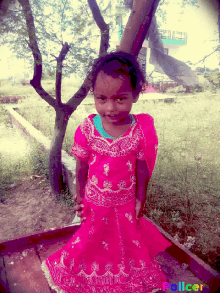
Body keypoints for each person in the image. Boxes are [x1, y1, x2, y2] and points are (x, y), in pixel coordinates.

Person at [41, 51, 171, 293]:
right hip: (96, 199)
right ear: (94, 96)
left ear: (135, 94)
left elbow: (142, 169)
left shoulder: (140, 130)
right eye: (101, 98)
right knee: (92, 237)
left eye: (120, 98)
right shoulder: (88, 128)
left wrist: (140, 198)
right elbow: (81, 166)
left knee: (125, 241)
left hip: (124, 201)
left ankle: (123, 272)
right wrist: (79, 195)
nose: (110, 108)